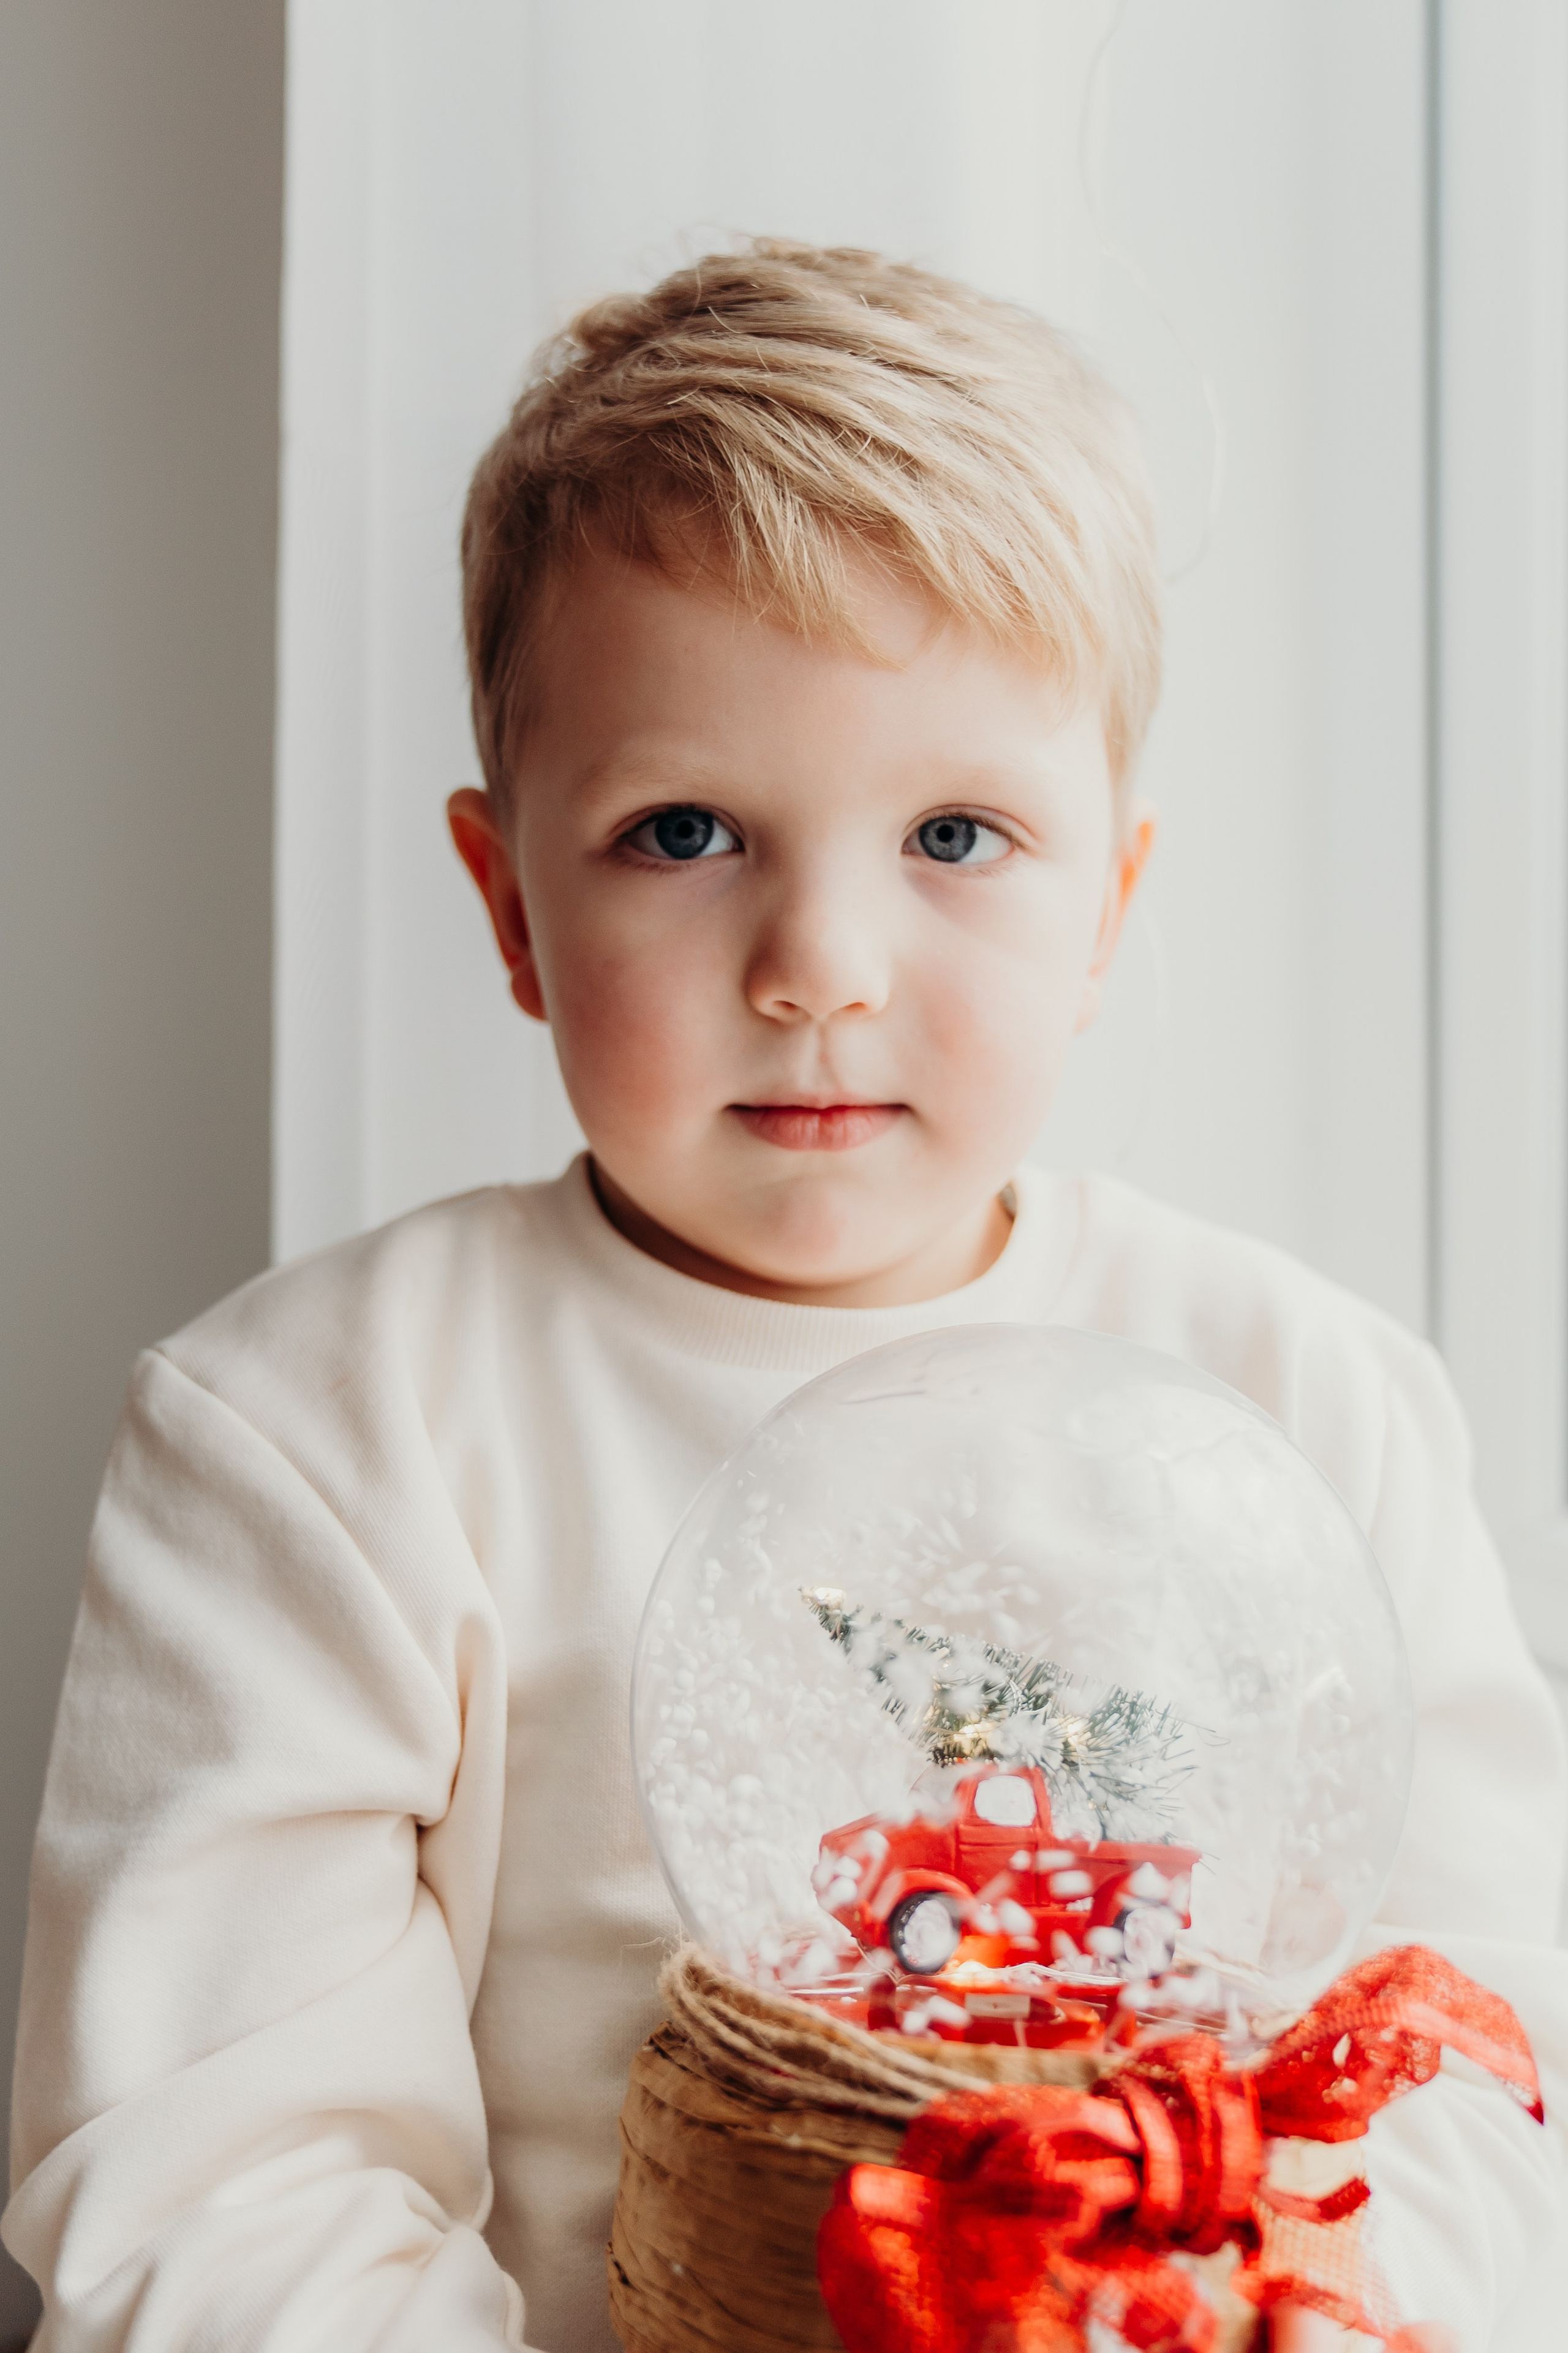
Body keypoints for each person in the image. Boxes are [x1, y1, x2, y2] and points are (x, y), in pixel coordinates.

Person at [4, 239, 1563, 2353]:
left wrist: (1303, 2316)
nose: (820, 963)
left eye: (955, 835)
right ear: (510, 904)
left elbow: (1486, 2052)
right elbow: (219, 2176)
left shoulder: (1310, 1398)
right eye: (683, 831)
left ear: (1109, 905)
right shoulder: (318, 1433)